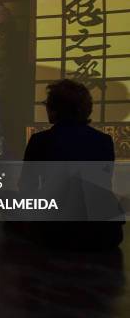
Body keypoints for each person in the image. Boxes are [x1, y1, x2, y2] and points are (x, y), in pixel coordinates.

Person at [17, 79, 124, 250]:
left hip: (56, 233)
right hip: (104, 233)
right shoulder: (103, 141)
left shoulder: (41, 141)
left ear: (55, 109)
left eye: (47, 104)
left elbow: (26, 187)